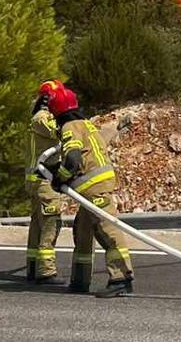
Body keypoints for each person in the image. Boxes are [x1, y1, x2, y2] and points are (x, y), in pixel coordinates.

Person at [37, 84, 134, 296]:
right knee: (83, 230)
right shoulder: (85, 124)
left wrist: (59, 178)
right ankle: (80, 280)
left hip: (93, 187)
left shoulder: (69, 127)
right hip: (93, 186)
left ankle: (121, 279)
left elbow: (73, 159)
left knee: (107, 230)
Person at [25, 80, 67, 284]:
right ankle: (46, 271)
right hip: (44, 181)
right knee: (51, 224)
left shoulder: (37, 116)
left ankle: (33, 267)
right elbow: (60, 133)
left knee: (37, 226)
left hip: (37, 180)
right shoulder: (42, 118)